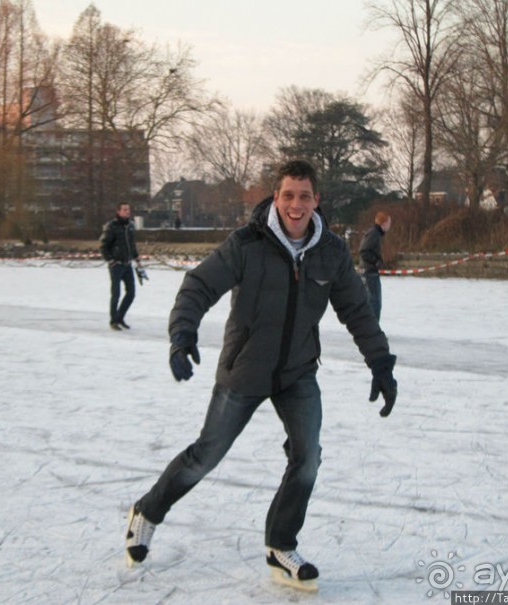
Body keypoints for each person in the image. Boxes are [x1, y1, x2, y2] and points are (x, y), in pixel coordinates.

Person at [124, 160, 398, 591]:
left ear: (316, 201)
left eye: (304, 196)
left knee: (307, 457)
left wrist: (380, 362)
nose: (296, 204)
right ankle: (148, 511)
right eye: (288, 195)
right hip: (246, 368)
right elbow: (198, 286)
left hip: (297, 372)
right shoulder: (247, 244)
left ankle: (280, 545)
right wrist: (182, 335)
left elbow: (357, 311)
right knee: (206, 455)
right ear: (276, 198)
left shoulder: (329, 251)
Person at [100, 202, 143, 330]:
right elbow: (103, 246)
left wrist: (136, 258)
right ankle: (113, 321)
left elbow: (131, 244)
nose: (127, 212)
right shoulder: (112, 226)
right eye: (124, 210)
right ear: (118, 211)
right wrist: (110, 260)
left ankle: (120, 317)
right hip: (116, 265)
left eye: (128, 209)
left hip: (127, 264)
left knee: (131, 293)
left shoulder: (129, 226)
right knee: (116, 294)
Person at [358, 211, 392, 321]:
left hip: (368, 271)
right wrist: (376, 262)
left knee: (371, 302)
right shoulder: (374, 233)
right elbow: (363, 251)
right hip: (369, 273)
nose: (390, 225)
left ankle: (367, 329)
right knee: (375, 303)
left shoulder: (375, 233)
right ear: (384, 223)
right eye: (389, 222)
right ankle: (372, 331)